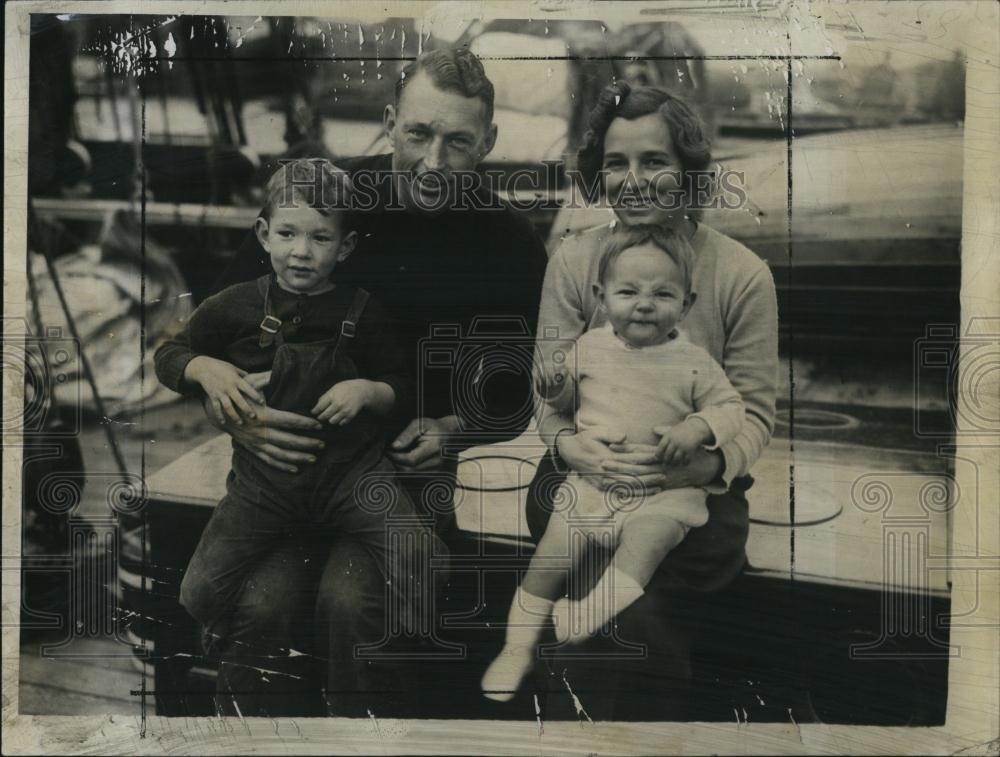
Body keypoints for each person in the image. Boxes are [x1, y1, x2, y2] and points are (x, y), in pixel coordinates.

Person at [198, 47, 548, 716]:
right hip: (285, 465)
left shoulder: (509, 244)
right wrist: (233, 403)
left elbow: (518, 393)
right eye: (418, 134)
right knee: (255, 600)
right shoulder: (323, 202)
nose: (434, 162)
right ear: (390, 122)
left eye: (459, 142)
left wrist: (453, 429)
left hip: (405, 482)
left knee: (352, 601)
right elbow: (214, 330)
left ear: (490, 143)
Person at [525, 82, 779, 719]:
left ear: (688, 171)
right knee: (602, 623)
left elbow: (754, 414)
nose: (632, 180)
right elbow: (547, 395)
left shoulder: (742, 274)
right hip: (586, 482)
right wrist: (567, 445)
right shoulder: (573, 262)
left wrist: (707, 464)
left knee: (631, 634)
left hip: (692, 502)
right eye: (616, 163)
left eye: (654, 161)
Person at [155, 160, 433, 657]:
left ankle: (411, 638)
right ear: (263, 234)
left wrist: (367, 391)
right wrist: (204, 369)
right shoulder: (233, 305)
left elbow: (403, 385)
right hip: (265, 482)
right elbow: (167, 354)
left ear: (345, 246)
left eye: (321, 239)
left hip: (353, 478)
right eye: (287, 233)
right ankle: (211, 642)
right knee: (200, 587)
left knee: (415, 547)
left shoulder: (365, 311)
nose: (301, 252)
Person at [482, 225, 745, 701]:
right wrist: (552, 387)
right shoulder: (588, 347)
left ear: (686, 304)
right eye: (628, 292)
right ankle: (516, 648)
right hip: (592, 485)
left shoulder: (695, 362)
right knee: (547, 562)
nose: (644, 304)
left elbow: (732, 409)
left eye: (663, 293)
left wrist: (697, 430)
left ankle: (587, 618)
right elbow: (564, 401)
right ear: (602, 299)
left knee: (647, 545)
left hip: (663, 490)